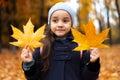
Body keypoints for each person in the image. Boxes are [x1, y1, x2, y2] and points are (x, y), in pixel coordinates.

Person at [21, 2, 100, 80]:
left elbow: (88, 77)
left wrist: (93, 64)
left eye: (65, 21)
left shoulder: (80, 47)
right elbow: (33, 77)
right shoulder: (42, 47)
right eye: (55, 21)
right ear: (50, 23)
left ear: (71, 23)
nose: (60, 24)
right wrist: (29, 63)